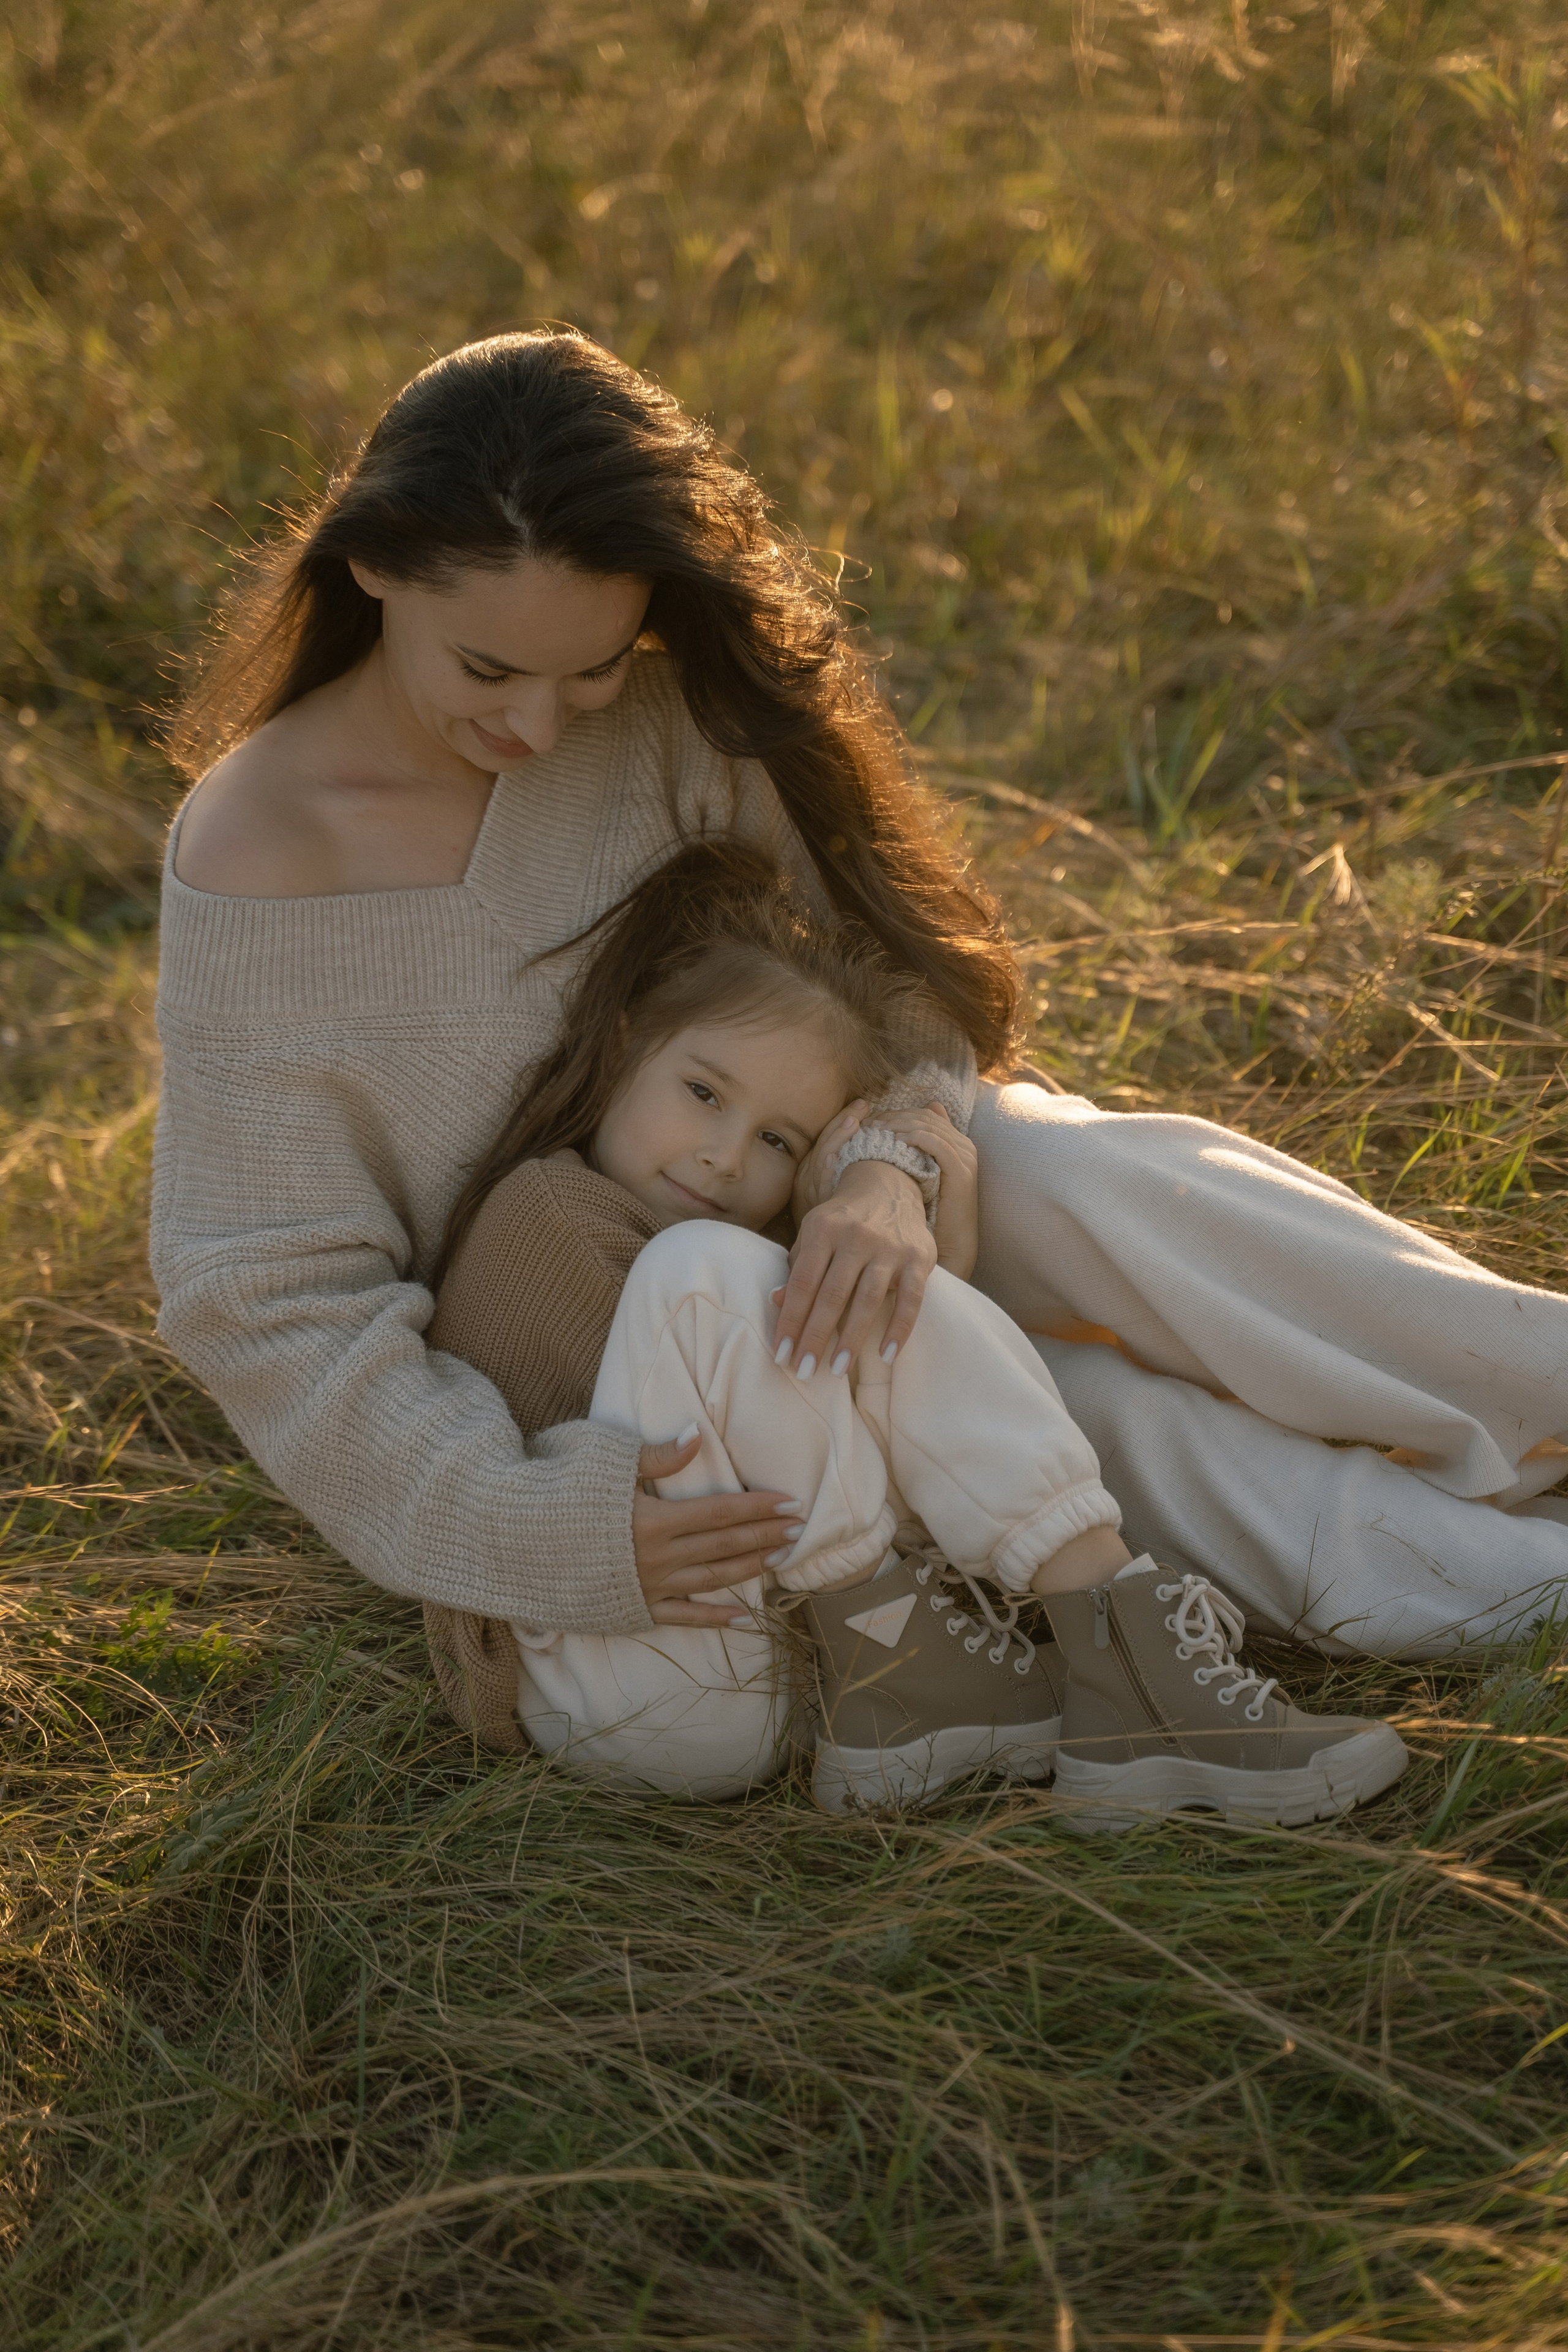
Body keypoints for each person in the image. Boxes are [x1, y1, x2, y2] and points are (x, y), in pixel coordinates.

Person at [153, 329, 1568, 1812]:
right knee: (1085, 1418)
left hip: (822, 1219)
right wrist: (528, 1525)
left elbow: (897, 980)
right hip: (608, 1389)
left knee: (1056, 1166)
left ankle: (1533, 1402)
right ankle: (1513, 1592)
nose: (534, 726)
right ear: (369, 564)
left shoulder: (657, 711)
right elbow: (273, 1303)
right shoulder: (261, 858)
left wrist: (887, 1168)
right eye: (489, 668)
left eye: (587, 670)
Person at [416, 837, 1409, 1823]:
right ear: (628, 1042)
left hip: (782, 1682)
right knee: (750, 1275)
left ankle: (1060, 1674)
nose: (723, 1157)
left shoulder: (732, 1267)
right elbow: (724, 1448)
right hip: (609, 1674)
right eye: (705, 1092)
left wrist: (869, 1220)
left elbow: (798, 1439)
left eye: (777, 1140)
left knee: (842, 1272)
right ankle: (1121, 1661)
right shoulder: (550, 1213)